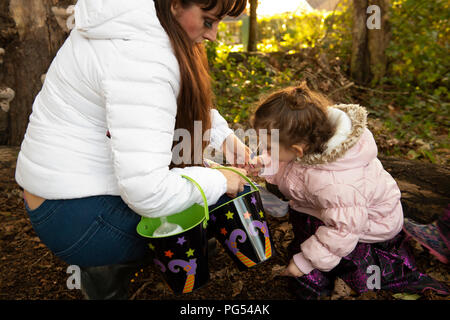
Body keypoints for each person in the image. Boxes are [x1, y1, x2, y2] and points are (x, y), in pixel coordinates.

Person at [15, 0, 252, 299]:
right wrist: (220, 180)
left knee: (199, 190)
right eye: (207, 21)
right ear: (176, 4)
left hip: (58, 196)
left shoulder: (133, 18)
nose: (213, 35)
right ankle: (102, 269)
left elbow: (159, 104)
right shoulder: (141, 56)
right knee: (196, 221)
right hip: (75, 217)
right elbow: (148, 193)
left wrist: (224, 138)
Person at [249, 83, 449, 299]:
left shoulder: (336, 184)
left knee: (335, 266)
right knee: (313, 223)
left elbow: (344, 230)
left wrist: (305, 262)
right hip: (339, 212)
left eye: (268, 147)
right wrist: (263, 163)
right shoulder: (310, 142)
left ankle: (326, 275)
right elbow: (289, 165)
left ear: (298, 150)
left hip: (366, 227)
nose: (265, 149)